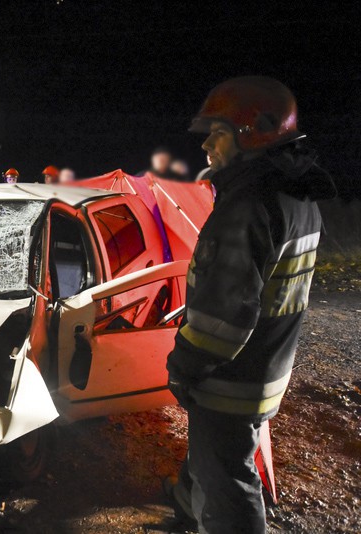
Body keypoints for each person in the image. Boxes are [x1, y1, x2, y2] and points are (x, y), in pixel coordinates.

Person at [164, 76, 336, 533]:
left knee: (228, 489)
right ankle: (187, 512)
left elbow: (223, 315)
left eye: (214, 133)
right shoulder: (297, 195)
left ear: (250, 133)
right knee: (213, 467)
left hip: (230, 382)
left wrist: (183, 365)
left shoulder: (247, 206)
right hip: (265, 370)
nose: (205, 147)